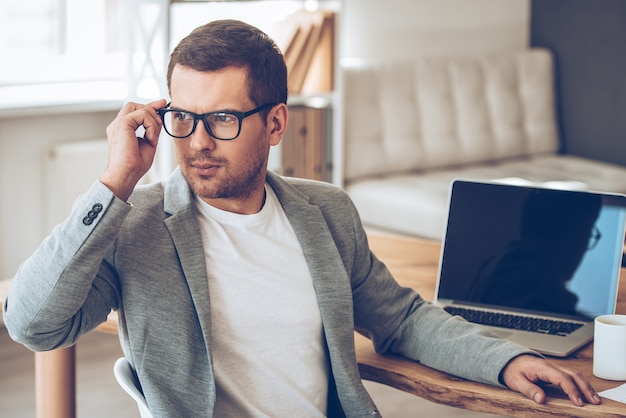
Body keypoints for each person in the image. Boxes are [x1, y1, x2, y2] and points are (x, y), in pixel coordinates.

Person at [3, 19, 601, 417]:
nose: (197, 142)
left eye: (224, 120)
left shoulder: (326, 211)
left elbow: (403, 320)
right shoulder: (134, 225)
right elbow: (32, 325)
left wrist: (508, 359)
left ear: (277, 124)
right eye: (183, 117)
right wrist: (115, 182)